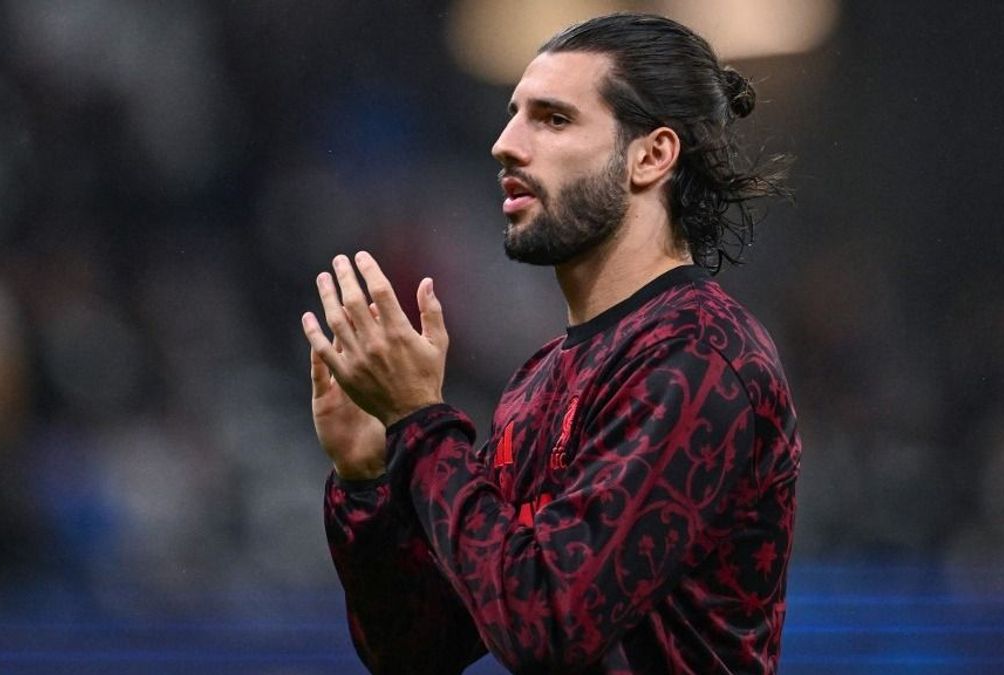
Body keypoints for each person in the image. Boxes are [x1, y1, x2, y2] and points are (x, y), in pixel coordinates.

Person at [300, 12, 801, 674]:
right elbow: (420, 650)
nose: (505, 145)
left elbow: (549, 626)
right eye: (513, 115)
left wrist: (420, 421)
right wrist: (367, 479)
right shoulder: (542, 377)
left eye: (554, 119)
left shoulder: (698, 354)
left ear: (651, 156)